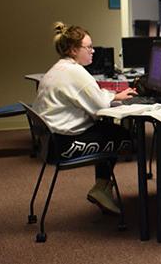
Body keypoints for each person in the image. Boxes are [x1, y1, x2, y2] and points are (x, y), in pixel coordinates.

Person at [33, 22, 137, 215]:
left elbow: (93, 98)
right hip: (63, 147)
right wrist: (115, 97)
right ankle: (102, 188)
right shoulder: (76, 73)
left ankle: (102, 188)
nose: (93, 51)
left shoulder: (60, 68)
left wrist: (111, 96)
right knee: (124, 138)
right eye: (88, 47)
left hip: (49, 142)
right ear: (73, 50)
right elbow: (99, 107)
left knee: (107, 131)